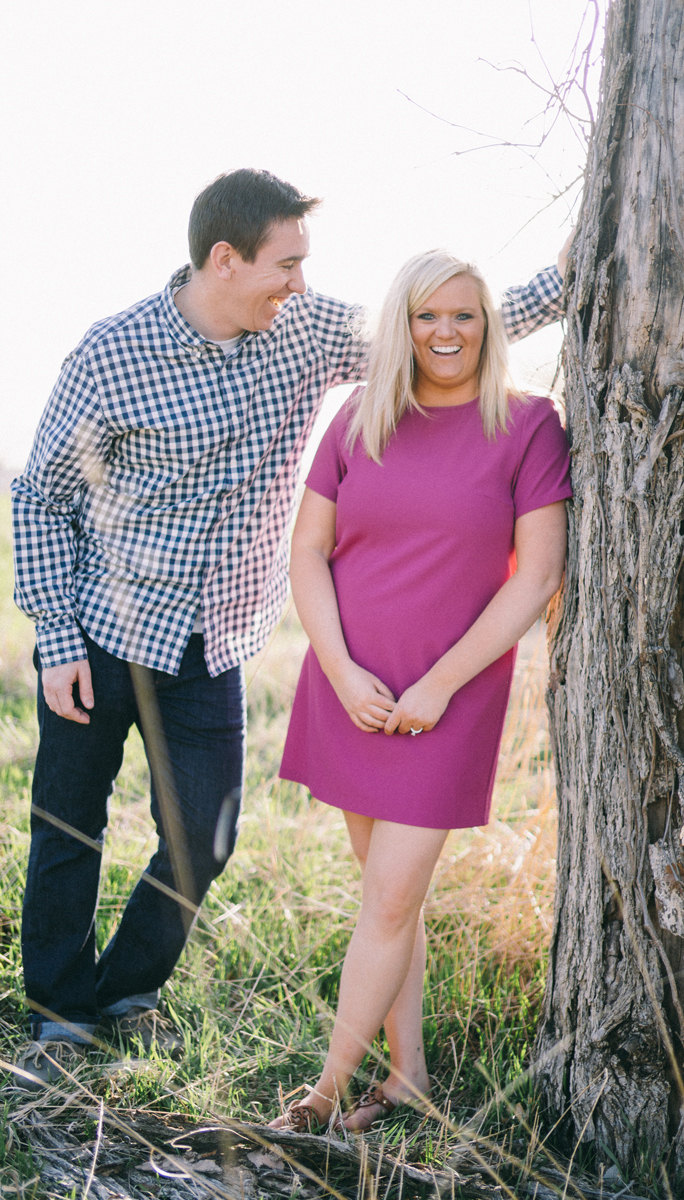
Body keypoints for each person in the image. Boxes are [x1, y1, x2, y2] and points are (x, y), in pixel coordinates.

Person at [10, 169, 569, 1090]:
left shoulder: (302, 335)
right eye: (287, 265)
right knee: (70, 825)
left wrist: (567, 279)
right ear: (225, 261)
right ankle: (61, 1011)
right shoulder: (111, 355)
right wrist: (58, 639)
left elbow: (443, 320)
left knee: (207, 835)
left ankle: (125, 990)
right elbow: (39, 500)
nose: (301, 285)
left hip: (213, 643)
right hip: (101, 631)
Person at [272, 249, 571, 1134]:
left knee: (391, 898)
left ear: (489, 326)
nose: (445, 332)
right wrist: (336, 666)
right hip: (350, 687)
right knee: (385, 899)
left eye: (464, 316)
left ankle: (323, 1097)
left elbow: (537, 575)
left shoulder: (527, 424)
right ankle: (409, 1078)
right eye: (426, 316)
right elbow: (308, 554)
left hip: (449, 698)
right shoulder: (359, 419)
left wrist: (440, 685)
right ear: (401, 326)